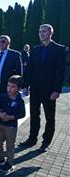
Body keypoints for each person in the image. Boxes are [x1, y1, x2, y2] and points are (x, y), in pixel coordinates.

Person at [21, 24, 66, 152]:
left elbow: (60, 71)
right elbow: (30, 69)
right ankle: (32, 139)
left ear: (51, 33)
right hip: (35, 88)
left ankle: (46, 142)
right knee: (34, 115)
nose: (41, 33)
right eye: (40, 31)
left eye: (44, 31)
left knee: (49, 117)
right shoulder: (35, 49)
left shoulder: (59, 49)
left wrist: (57, 90)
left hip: (50, 90)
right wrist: (26, 85)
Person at [0, 75, 25, 173]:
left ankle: (9, 163)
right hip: (0, 124)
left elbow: (22, 114)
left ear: (18, 88)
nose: (10, 88)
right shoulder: (3, 96)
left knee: (10, 146)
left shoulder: (19, 101)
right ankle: (0, 158)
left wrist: (11, 117)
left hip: (11, 127)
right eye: (8, 86)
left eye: (13, 87)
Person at [0, 35, 22, 134]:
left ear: (8, 43)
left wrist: (16, 87)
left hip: (7, 87)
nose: (1, 43)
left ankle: (5, 128)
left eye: (3, 41)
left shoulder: (15, 54)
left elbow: (19, 72)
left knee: (6, 108)